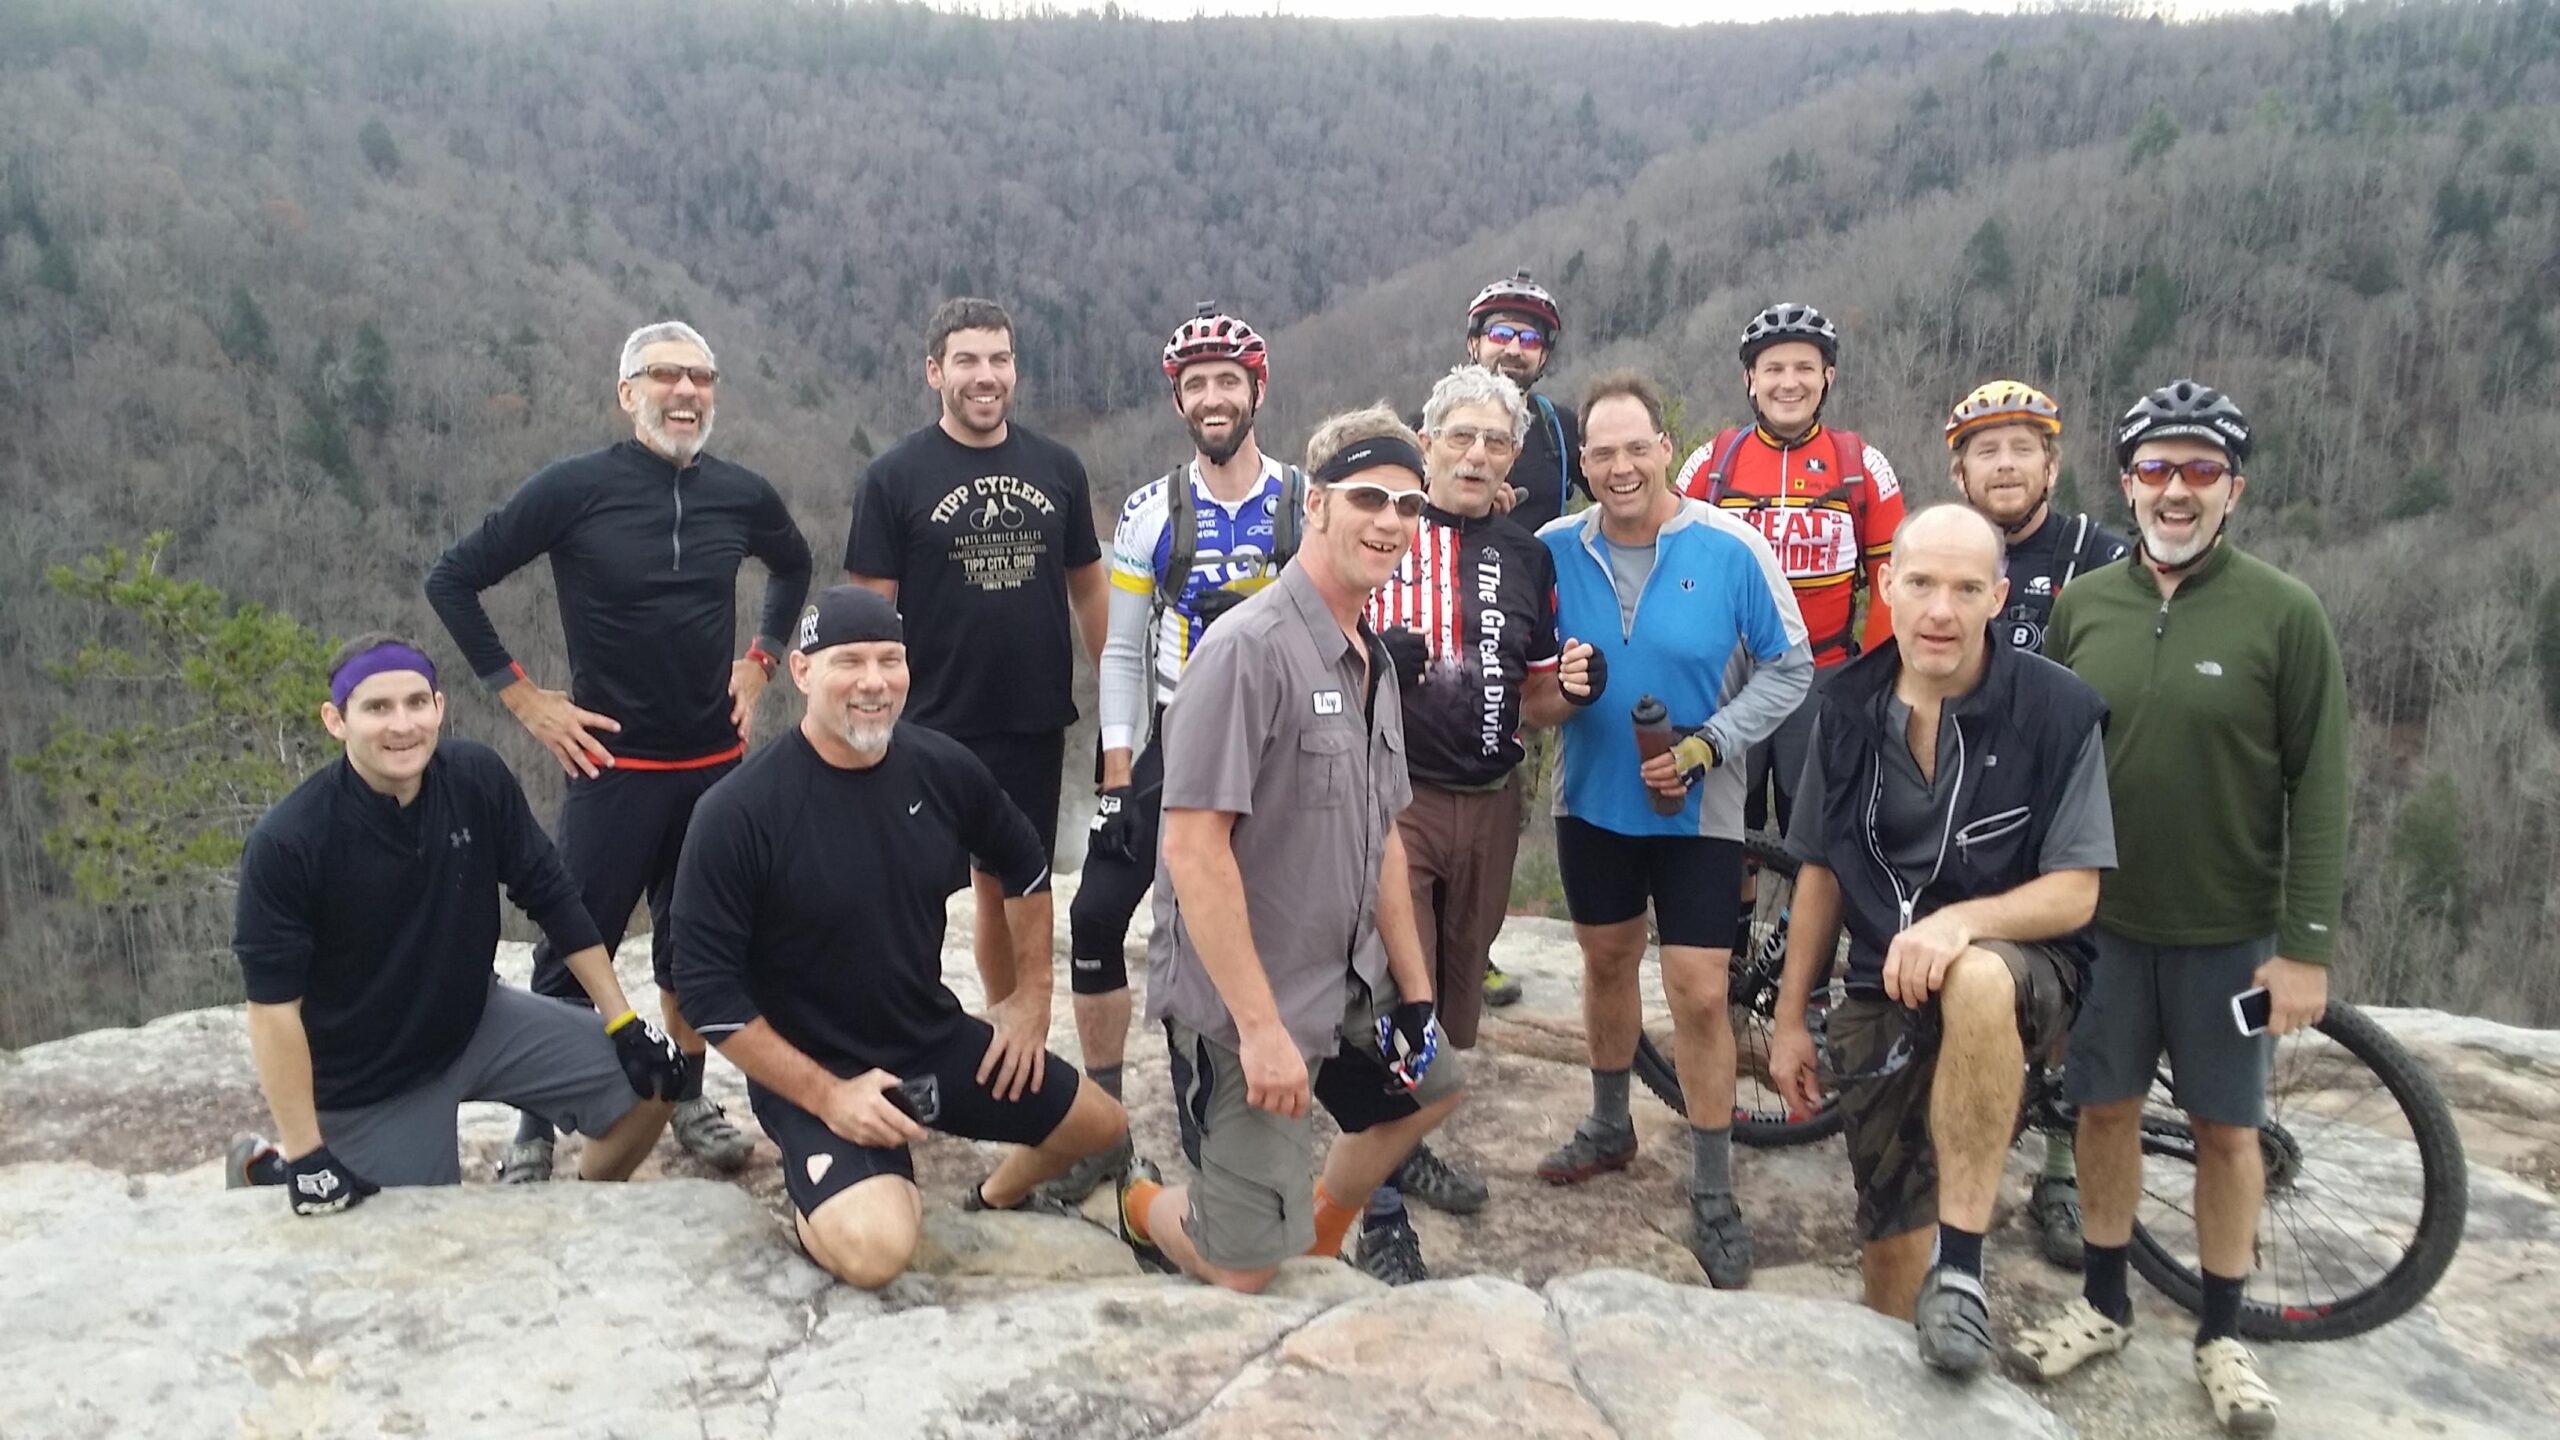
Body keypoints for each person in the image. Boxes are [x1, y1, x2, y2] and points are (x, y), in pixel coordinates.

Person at [2009, 381, 2349, 1437]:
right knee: (2102, 1111)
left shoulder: (2282, 612)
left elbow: (2321, 784)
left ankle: (2221, 1333)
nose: (2175, 489)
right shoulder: (2086, 606)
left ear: (2233, 490)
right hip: (2098, 927)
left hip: (2226, 932)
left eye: (2199, 470)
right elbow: (2047, 761)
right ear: (2126, 482)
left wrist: (2303, 949)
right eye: (2155, 468)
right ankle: (2104, 1305)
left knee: (2226, 1131)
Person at [425, 320, 813, 1184]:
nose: (686, 392)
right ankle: (536, 1123)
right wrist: (524, 699)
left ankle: (686, 1098)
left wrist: (759, 666)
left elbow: (793, 563)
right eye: (665, 376)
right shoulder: (576, 489)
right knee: (573, 943)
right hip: (613, 768)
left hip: (714, 768)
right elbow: (452, 577)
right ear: (626, 393)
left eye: (701, 377)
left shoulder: (739, 494)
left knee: (699, 949)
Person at [669, 586, 1129, 1290]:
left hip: (927, 1038)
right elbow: (706, 992)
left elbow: (1024, 860)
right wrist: (827, 1098)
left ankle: (995, 1197)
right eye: (848, 662)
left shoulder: (938, 768)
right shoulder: (738, 812)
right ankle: (830, 1194)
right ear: (801, 672)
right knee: (878, 1252)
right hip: (815, 1066)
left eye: (891, 660)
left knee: (1102, 1129)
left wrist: (1030, 999)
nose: (874, 682)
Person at [1113, 407, 1467, 1292]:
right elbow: (1193, 851)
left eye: (1409, 506)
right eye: (1369, 498)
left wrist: (1416, 996)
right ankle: (1140, 1204)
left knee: (1433, 1087)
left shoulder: (1371, 658)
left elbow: (1383, 833)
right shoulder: (1247, 651)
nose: (1390, 521)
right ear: (1317, 505)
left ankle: (1313, 1234)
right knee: (1241, 1279)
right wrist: (1263, 1033)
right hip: (1249, 1005)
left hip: (1343, 981)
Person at [1765, 504, 2115, 1377]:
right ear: (1886, 586)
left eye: (1966, 589)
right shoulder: (1844, 709)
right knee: (1887, 1249)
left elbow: (2077, 889)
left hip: (2025, 966)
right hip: (1885, 984)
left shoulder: (2056, 710)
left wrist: (1962, 924)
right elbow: (1818, 869)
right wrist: (1787, 1017)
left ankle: (1964, 1269)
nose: (1940, 611)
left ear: (1999, 596)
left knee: (1977, 980)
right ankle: (1912, 1349)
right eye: (1920, 583)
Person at [226, 636, 678, 1208]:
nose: (402, 725)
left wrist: (623, 1023)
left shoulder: (474, 778)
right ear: (335, 721)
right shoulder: (290, 842)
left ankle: (577, 1209)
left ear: (440, 706)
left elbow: (553, 897)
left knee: (656, 1082)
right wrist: (305, 1152)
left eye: (417, 702)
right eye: (376, 708)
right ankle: (265, 1171)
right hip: (372, 1079)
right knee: (411, 1244)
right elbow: (272, 1011)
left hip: (476, 1020)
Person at [1533, 372, 1811, 1290]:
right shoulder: (1550, 552)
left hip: (1700, 810)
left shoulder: (1731, 548)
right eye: (1601, 453)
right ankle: (1611, 1124)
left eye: (1634, 448)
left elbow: (1790, 667)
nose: (1619, 467)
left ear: (1664, 448)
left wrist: (1708, 745)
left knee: (1697, 993)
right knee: (1607, 964)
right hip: (1593, 804)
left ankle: (1713, 1183)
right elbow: (1520, 663)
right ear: (1584, 465)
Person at [1349, 363, 1600, 1273]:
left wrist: (1569, 690)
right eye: (1460, 436)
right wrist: (1375, 651)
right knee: (1389, 990)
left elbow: (1534, 698)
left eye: (1497, 441)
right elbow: (1312, 638)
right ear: (1428, 443)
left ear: (1515, 461)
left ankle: (1403, 1143)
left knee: (1454, 1006)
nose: (1477, 454)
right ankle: (1377, 1214)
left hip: (1493, 800)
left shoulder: (1527, 555)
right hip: (1394, 798)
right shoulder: (1384, 528)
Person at [1050, 303, 1292, 1205]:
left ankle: (1248, 1104)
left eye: (1229, 381)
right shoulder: (1152, 512)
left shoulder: (1304, 502)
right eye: (1197, 386)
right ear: (1181, 402)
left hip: (1279, 744)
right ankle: (1106, 1117)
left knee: (1254, 923)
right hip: (1175, 735)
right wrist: (1117, 778)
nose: (1214, 397)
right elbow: (1117, 650)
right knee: (1099, 918)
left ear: (1257, 390)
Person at [844, 297, 1107, 1029]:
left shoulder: (1057, 468)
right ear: (936, 373)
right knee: (911, 886)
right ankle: (905, 1029)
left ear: (1015, 370)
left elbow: (1087, 583)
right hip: (929, 721)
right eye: (967, 360)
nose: (985, 376)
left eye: (999, 359)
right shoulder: (893, 478)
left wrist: (1115, 697)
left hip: (1032, 717)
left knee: (1012, 885)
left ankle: (1013, 1031)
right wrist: (866, 716)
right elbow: (869, 611)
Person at [1944, 379, 2133, 1271]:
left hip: (2067, 796)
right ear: (1961, 469)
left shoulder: (2100, 553)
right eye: (1987, 450)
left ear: (2052, 464)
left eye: (2023, 449)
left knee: (2076, 980)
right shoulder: (1955, 551)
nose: (2005, 464)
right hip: (1972, 798)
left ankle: (2060, 1169)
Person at [1674, 302, 1902, 851]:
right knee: (1725, 829)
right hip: (1728, 680)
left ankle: (1800, 939)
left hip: (1823, 677)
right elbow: (1671, 571)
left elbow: (1894, 584)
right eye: (1773, 369)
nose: (1789, 383)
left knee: (1818, 836)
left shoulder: (1862, 466)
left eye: (1804, 368)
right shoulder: (1710, 464)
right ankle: (1726, 936)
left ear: (1828, 377)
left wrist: (1874, 682)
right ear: (1750, 380)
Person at [1459, 268, 1583, 1010]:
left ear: (1544, 354)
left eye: (1528, 337)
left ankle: (1479, 950)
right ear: (1474, 343)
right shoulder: (1436, 419)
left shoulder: (1564, 431)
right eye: (1500, 333)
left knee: (1506, 806)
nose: (1513, 347)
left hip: (1525, 647)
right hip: (1441, 642)